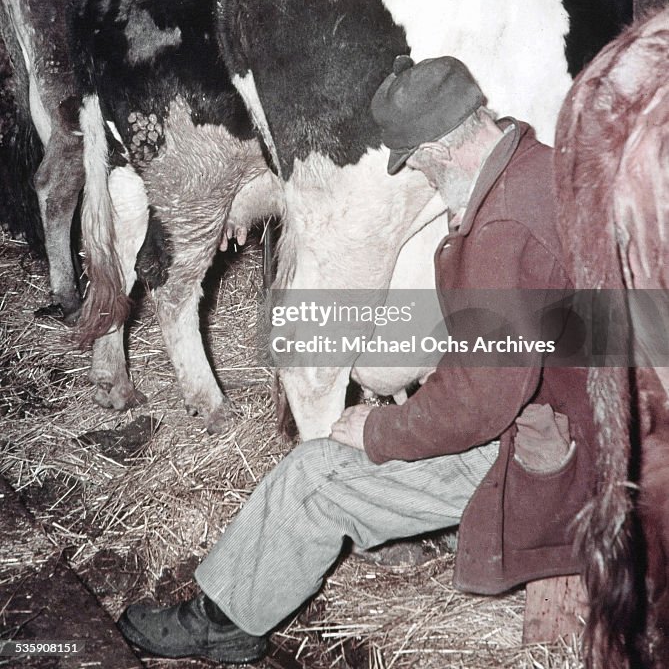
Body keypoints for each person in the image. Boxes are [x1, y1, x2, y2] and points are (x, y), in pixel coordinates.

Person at [118, 55, 595, 664]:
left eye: (415, 161)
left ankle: (224, 621)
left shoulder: (501, 229)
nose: (419, 174)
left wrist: (377, 428)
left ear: (439, 149)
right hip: (593, 422)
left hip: (558, 456)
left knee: (314, 477)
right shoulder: (545, 168)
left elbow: (482, 402)